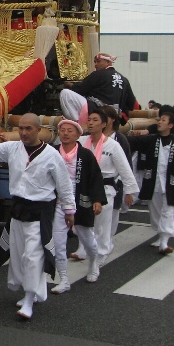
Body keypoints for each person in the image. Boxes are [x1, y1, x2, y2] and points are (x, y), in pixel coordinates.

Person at [0, 113, 75, 320]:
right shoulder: (13, 148)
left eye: (29, 128)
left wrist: (69, 210)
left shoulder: (51, 155)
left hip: (40, 211)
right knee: (18, 254)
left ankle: (29, 297)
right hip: (18, 209)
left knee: (33, 256)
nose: (24, 132)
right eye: (21, 128)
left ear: (39, 130)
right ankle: (27, 292)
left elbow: (64, 184)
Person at [50, 119, 105, 293]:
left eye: (70, 131)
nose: (65, 133)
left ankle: (94, 263)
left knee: (88, 240)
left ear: (78, 135)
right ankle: (64, 279)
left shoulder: (86, 155)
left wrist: (97, 200)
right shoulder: (51, 152)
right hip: (59, 203)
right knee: (58, 243)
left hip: (80, 200)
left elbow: (95, 178)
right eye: (62, 130)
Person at [79, 110, 138, 267]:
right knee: (84, 222)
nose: (90, 123)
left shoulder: (113, 145)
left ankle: (102, 253)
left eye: (95, 120)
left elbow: (124, 169)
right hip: (85, 187)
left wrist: (129, 191)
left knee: (102, 224)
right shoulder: (82, 141)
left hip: (106, 188)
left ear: (104, 124)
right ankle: (84, 248)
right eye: (89, 119)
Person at [128, 113, 174, 253]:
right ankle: (160, 234)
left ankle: (164, 241)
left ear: (170, 125)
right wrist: (128, 135)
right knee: (155, 210)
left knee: (168, 211)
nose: (159, 122)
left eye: (163, 120)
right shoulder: (152, 139)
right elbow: (134, 142)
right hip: (154, 180)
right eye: (159, 120)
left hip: (171, 182)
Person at [60, 53, 136, 123]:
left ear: (108, 62)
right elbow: (131, 104)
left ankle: (75, 123)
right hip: (114, 117)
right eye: (95, 62)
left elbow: (80, 89)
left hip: (97, 112)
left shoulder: (99, 74)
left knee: (65, 93)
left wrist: (70, 85)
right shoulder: (124, 80)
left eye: (98, 61)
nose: (96, 64)